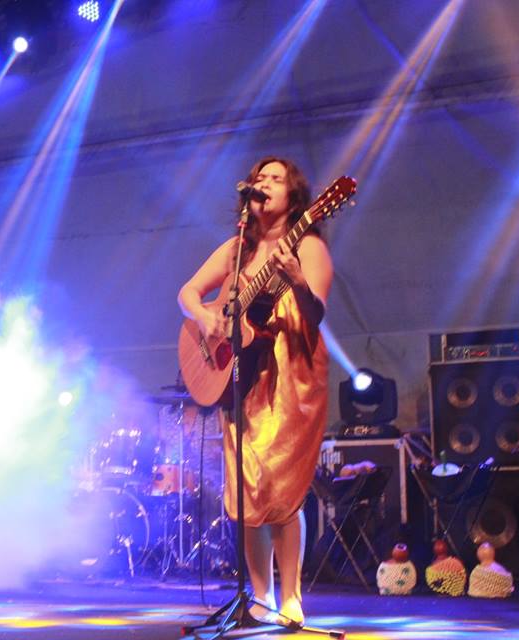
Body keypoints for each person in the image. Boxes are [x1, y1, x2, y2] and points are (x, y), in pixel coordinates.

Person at [178, 157, 332, 626]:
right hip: (240, 377)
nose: (264, 183)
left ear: (294, 195)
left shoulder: (307, 245)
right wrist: (207, 318)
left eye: (275, 179)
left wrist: (297, 280)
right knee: (247, 489)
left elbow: (316, 313)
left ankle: (292, 595)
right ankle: (260, 596)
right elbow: (188, 293)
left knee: (282, 489)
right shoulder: (237, 249)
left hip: (289, 372)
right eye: (260, 177)